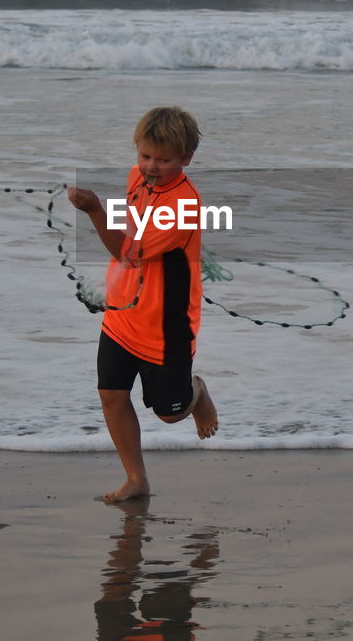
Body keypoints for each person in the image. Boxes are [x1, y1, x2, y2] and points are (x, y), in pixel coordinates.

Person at [67, 106, 218, 503]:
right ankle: (137, 479)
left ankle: (196, 392)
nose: (152, 167)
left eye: (164, 160)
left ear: (186, 159)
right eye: (145, 156)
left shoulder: (184, 206)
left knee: (168, 413)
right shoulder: (137, 178)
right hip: (123, 311)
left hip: (165, 324)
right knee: (112, 396)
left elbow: (128, 251)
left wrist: (93, 210)